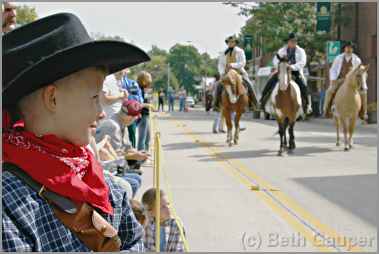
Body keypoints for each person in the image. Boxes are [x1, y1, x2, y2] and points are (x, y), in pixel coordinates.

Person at [2, 13, 150, 251]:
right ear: (52, 98)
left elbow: (134, 242)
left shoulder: (106, 186)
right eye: (94, 98)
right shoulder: (10, 204)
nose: (101, 113)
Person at [259, 33, 312, 116]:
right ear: (288, 42)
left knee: (303, 85)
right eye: (291, 41)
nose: (293, 43)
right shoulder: (281, 51)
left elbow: (302, 62)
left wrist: (291, 67)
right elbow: (275, 61)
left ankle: (307, 105)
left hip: (295, 71)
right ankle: (262, 101)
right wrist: (281, 66)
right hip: (282, 70)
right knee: (270, 82)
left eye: (295, 41)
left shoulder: (301, 51)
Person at [96, 99, 150, 172]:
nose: (136, 118)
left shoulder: (120, 121)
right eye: (136, 117)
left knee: (135, 165)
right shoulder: (113, 126)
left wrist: (137, 153)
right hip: (103, 165)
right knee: (135, 172)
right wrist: (134, 156)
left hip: (110, 162)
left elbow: (126, 147)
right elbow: (116, 155)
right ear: (129, 117)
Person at [323, 41, 368, 121]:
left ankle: (363, 112)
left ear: (353, 50)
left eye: (350, 48)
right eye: (347, 48)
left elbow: (361, 72)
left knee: (363, 93)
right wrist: (333, 79)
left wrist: (363, 85)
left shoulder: (357, 60)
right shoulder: (338, 58)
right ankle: (327, 109)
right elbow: (333, 69)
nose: (348, 49)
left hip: (352, 81)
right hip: (341, 79)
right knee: (329, 91)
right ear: (344, 49)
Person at [214, 35, 258, 111]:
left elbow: (243, 63)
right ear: (227, 43)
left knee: (249, 84)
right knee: (218, 85)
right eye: (229, 42)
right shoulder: (223, 52)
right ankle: (216, 104)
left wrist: (232, 65)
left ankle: (254, 103)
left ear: (235, 43)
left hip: (239, 72)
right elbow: (220, 64)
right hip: (226, 73)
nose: (230, 43)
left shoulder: (240, 51)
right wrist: (221, 73)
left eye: (232, 42)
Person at [121, 69, 143, 147]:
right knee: (119, 133)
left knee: (132, 133)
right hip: (120, 112)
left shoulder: (132, 83)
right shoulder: (114, 83)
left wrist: (137, 111)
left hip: (131, 112)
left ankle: (133, 151)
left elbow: (138, 98)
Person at [137, 71, 153, 152]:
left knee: (148, 137)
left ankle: (145, 154)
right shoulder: (138, 89)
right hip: (142, 115)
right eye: (148, 78)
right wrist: (148, 105)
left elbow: (148, 100)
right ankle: (141, 156)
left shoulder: (145, 89)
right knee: (142, 137)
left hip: (146, 114)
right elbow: (139, 102)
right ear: (143, 80)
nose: (150, 81)